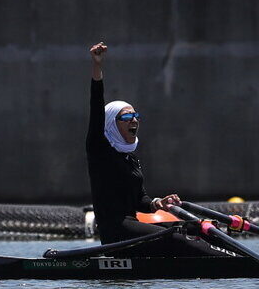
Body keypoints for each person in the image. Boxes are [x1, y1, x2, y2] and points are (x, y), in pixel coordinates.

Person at [86, 42, 232, 257]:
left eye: (136, 116)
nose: (134, 120)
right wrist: (97, 66)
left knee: (202, 228)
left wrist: (158, 203)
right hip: (116, 233)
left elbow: (140, 201)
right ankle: (233, 265)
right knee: (175, 236)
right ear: (109, 124)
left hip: (133, 227)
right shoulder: (99, 149)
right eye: (126, 117)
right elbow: (96, 106)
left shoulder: (130, 159)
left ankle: (238, 261)